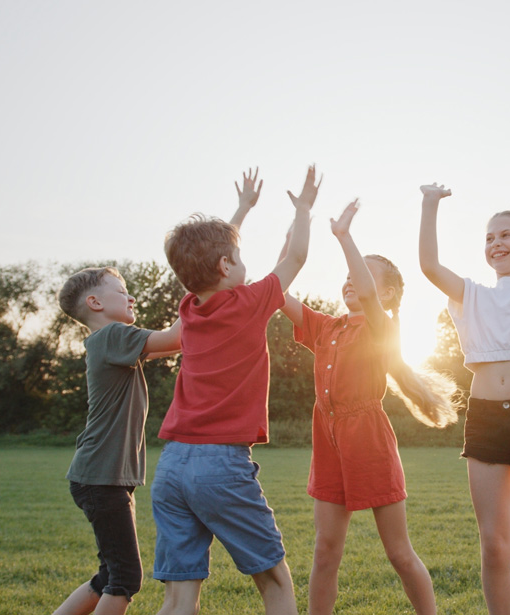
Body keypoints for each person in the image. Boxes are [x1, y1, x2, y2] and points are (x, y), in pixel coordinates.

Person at [150, 166, 318, 615]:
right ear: (226, 266)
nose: (244, 265)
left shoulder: (189, 309)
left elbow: (205, 258)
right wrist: (303, 209)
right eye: (238, 258)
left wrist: (241, 210)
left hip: (171, 466)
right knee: (274, 580)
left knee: (178, 597)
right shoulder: (250, 302)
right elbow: (296, 257)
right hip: (220, 465)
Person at [276, 200, 456, 615]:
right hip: (328, 441)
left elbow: (368, 294)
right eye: (345, 277)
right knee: (325, 551)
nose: (349, 280)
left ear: (386, 293)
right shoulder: (326, 326)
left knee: (399, 553)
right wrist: (293, 236)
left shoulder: (381, 326)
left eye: (358, 274)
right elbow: (277, 293)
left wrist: (344, 237)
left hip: (369, 441)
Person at [417, 184, 510, 615]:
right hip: (486, 419)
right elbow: (429, 265)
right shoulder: (473, 295)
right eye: (490, 237)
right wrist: (429, 204)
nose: (496, 243)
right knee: (494, 545)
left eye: (506, 234)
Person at [52, 266, 183, 615]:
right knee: (125, 579)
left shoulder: (111, 342)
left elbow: (172, 346)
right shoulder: (113, 336)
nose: (132, 297)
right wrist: (199, 288)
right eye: (122, 291)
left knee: (110, 575)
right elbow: (177, 337)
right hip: (102, 477)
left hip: (101, 477)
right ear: (95, 303)